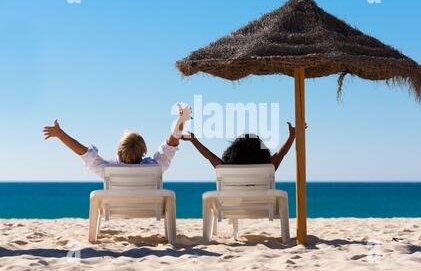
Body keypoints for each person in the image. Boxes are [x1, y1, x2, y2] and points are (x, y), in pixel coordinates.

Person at [43, 104, 191, 178]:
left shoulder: (107, 170)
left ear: (118, 153)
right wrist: (181, 120)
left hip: (115, 208)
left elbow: (83, 152)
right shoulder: (156, 166)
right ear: (144, 151)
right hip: (150, 208)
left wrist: (61, 134)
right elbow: (171, 143)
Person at [181, 122, 306, 170]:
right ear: (261, 151)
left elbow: (209, 156)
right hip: (262, 205)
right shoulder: (268, 166)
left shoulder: (225, 168)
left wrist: (194, 141)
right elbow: (281, 153)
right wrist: (292, 136)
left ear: (234, 150)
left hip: (231, 205)